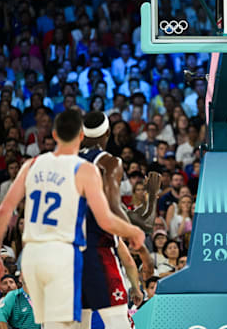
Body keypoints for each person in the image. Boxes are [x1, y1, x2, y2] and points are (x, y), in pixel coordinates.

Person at [0, 109, 145, 329]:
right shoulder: (84, 169)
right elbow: (106, 220)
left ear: (54, 134)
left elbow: (3, 211)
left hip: (34, 258)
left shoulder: (31, 165)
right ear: (81, 137)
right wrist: (134, 232)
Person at [78, 111, 156, 328]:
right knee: (119, 324)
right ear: (108, 133)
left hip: (67, 254)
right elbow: (112, 208)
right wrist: (142, 247)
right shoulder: (109, 162)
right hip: (97, 251)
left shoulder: (65, 162)